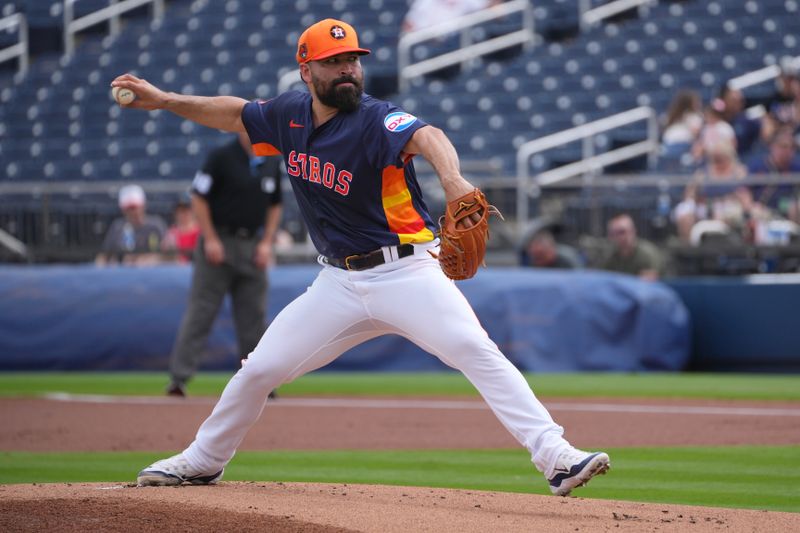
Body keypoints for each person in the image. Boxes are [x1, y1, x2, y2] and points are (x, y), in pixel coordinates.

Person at [113, 18, 609, 496]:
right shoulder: (287, 116)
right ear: (307, 71)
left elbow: (428, 136)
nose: (348, 68)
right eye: (334, 61)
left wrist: (453, 180)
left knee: (474, 350)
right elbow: (233, 112)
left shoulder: (374, 118)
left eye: (353, 58)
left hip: (409, 271)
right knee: (259, 370)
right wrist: (165, 100)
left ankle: (556, 456)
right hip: (338, 284)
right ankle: (203, 461)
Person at [165, 133, 284, 397]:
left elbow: (276, 205)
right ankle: (178, 379)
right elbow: (198, 196)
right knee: (201, 311)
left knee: (254, 317)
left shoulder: (271, 161)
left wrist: (266, 242)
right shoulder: (221, 156)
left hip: (252, 246)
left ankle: (261, 382)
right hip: (218, 242)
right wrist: (209, 238)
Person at [95, 184, 167, 266]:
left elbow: (167, 254)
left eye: (135, 207)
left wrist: (148, 259)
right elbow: (104, 255)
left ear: (143, 205)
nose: (133, 212)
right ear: (123, 210)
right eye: (129, 208)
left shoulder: (156, 225)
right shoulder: (117, 227)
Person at [598, 213, 663, 280]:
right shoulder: (609, 255)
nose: (620, 237)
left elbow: (648, 284)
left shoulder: (647, 254)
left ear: (633, 231)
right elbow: (602, 279)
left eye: (622, 232)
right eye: (614, 233)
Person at [161, 194, 200, 263]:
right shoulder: (171, 232)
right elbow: (164, 256)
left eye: (186, 210)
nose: (183, 214)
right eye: (180, 211)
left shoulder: (200, 231)